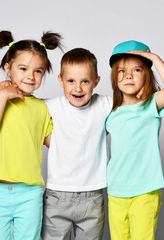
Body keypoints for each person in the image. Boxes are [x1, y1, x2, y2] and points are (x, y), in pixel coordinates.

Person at [0, 30, 62, 240]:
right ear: (8, 68)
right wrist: (3, 95)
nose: (30, 76)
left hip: (30, 193)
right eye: (23, 69)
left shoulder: (42, 108)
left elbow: (56, 145)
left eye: (38, 71)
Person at [105, 40, 164, 240]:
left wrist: (154, 58)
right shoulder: (110, 113)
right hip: (116, 190)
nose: (128, 75)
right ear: (114, 78)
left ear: (146, 74)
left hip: (145, 191)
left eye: (136, 70)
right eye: (121, 71)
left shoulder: (150, 106)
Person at [41, 48, 112, 240]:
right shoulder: (50, 106)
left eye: (85, 81)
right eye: (71, 81)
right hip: (57, 194)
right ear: (61, 80)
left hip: (93, 196)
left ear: (96, 81)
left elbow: (133, 102)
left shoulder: (104, 104)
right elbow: (23, 105)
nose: (78, 88)